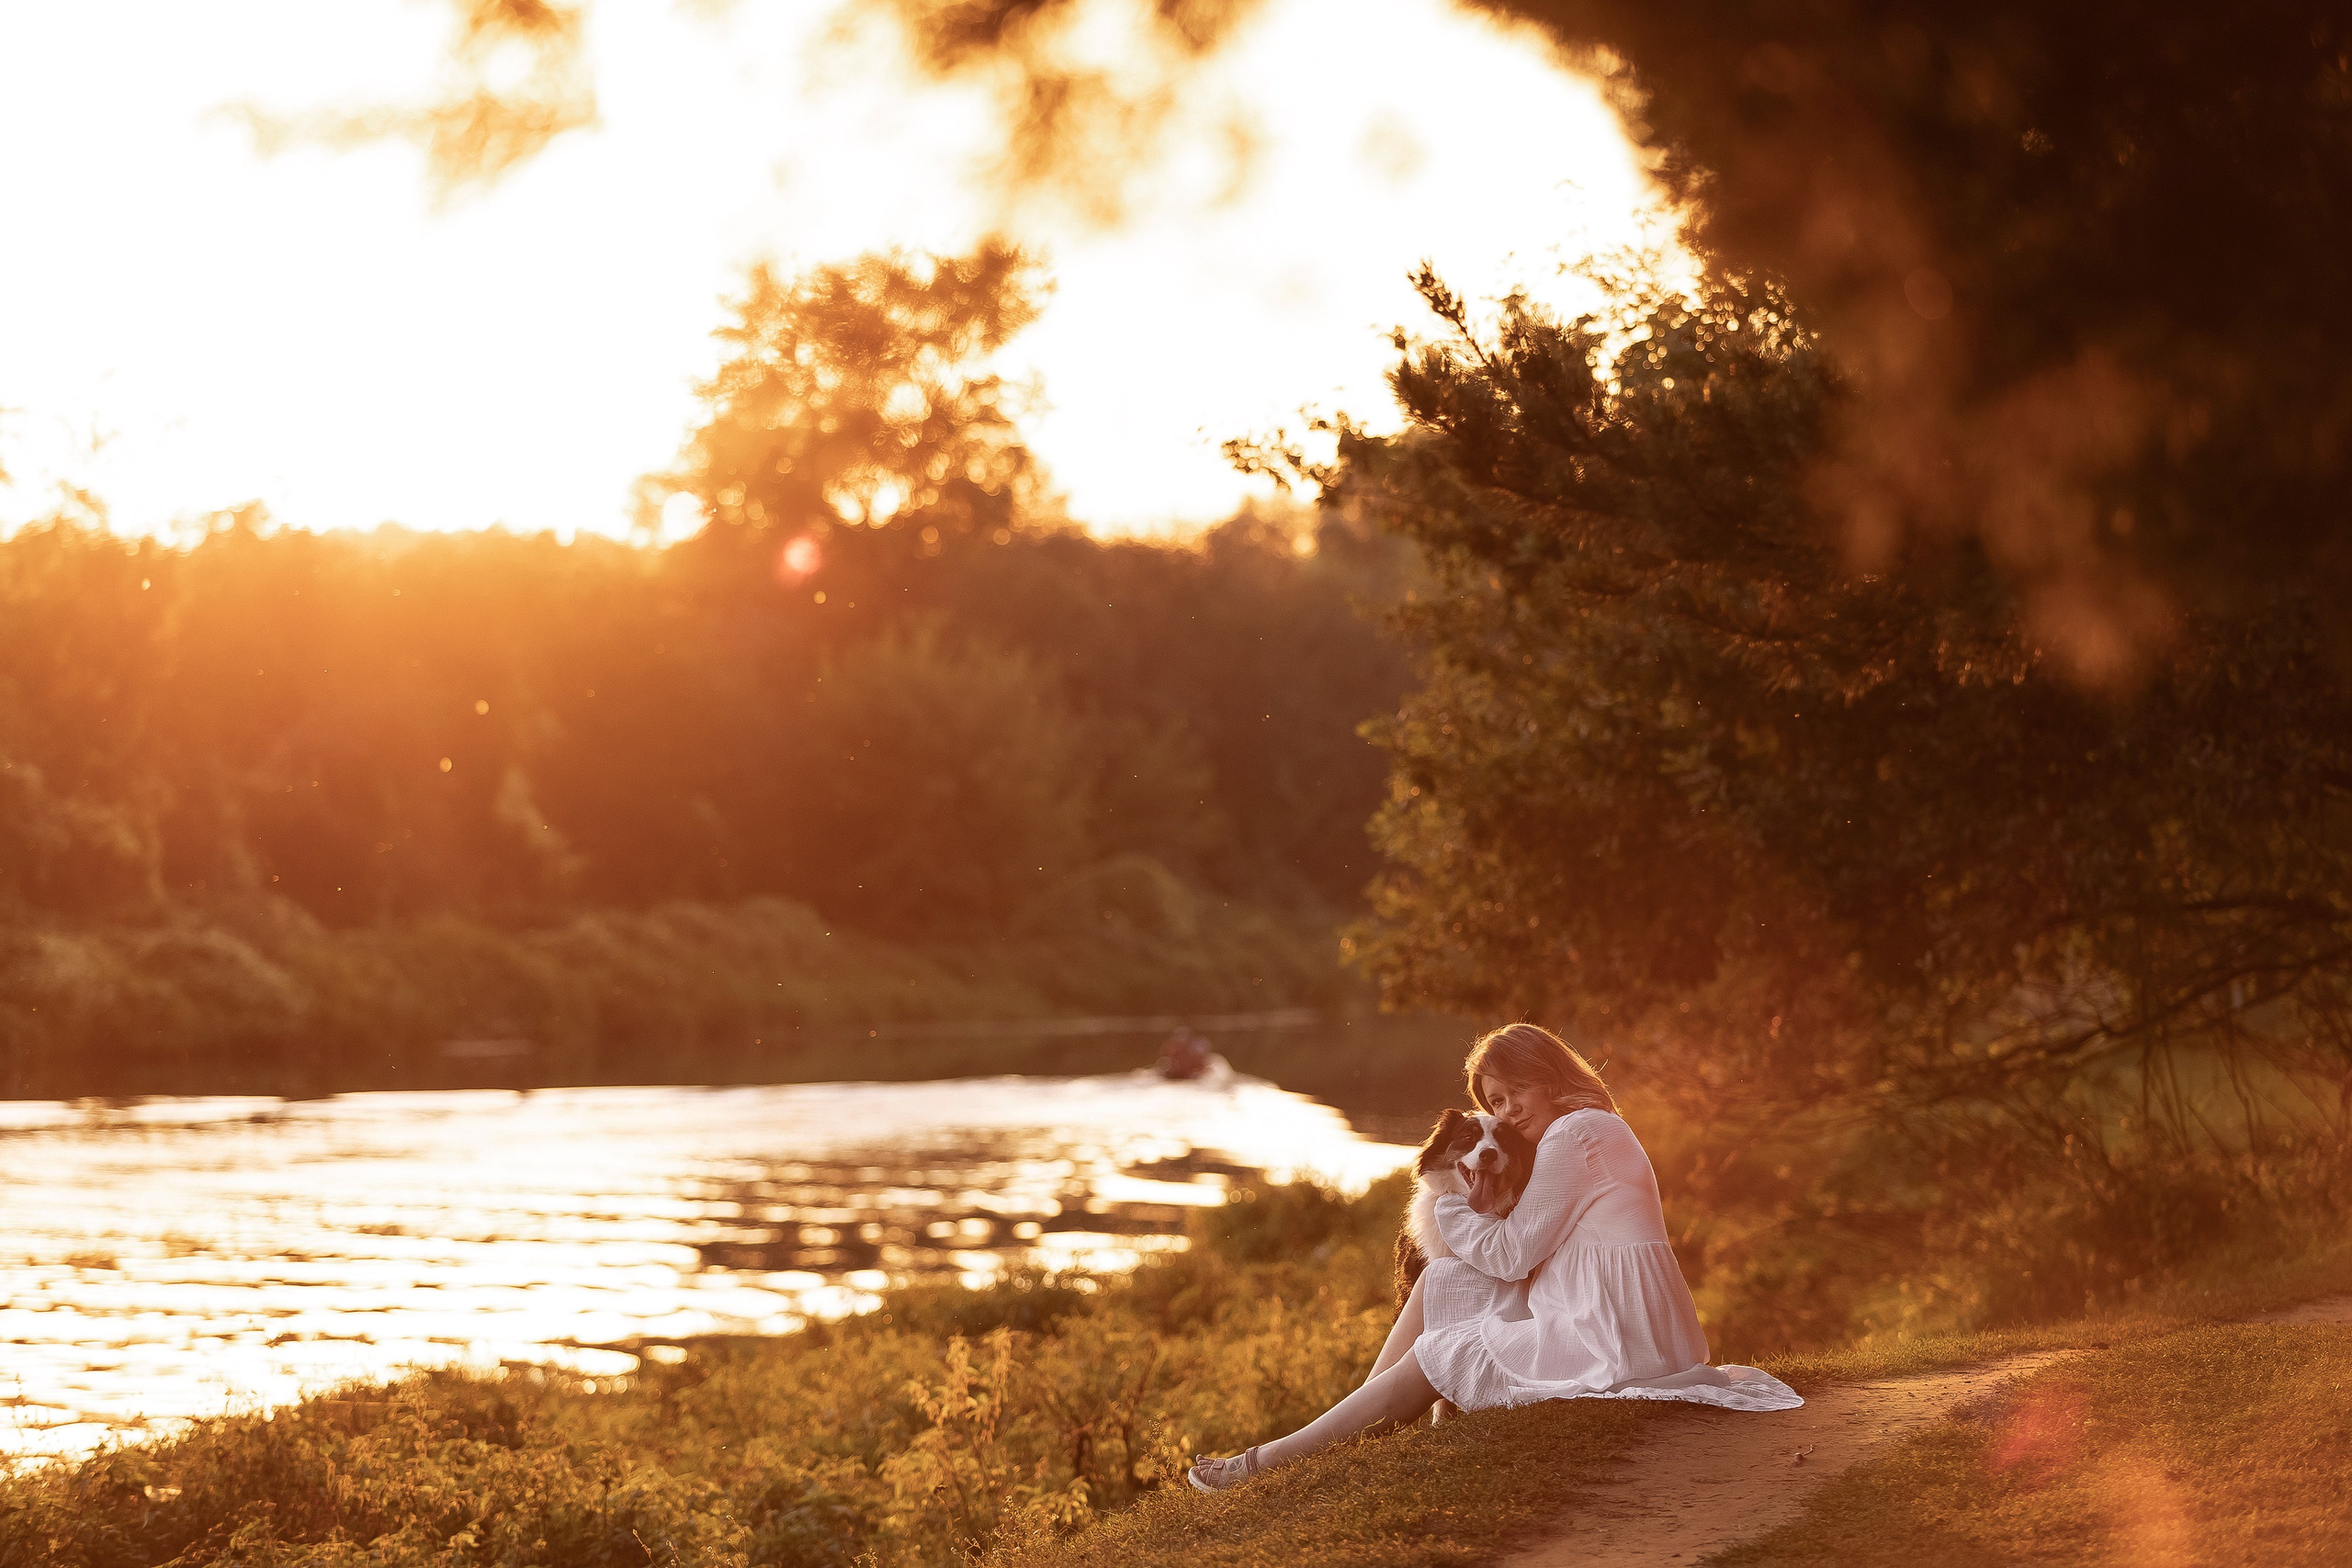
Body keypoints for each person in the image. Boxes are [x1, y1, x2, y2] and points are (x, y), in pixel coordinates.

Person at [1188, 1022, 1800, 1491]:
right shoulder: (1589, 1126)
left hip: (1613, 1338)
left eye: (1513, 1095)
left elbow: (1510, 1255)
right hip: (1611, 1313)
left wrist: (1448, 1205)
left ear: (1549, 1075)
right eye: (1494, 1101)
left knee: (1443, 1349)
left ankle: (1265, 1464)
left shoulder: (1574, 1135)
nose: (1507, 1114)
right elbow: (1518, 1252)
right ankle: (1350, 1430)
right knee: (1443, 1278)